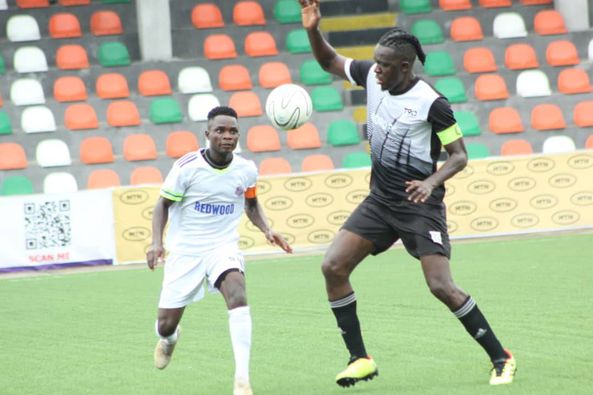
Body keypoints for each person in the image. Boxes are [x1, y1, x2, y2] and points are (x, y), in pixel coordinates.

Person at [298, 0, 516, 388]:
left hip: (420, 205)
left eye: (382, 64)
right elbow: (329, 62)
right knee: (333, 267)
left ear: (404, 67)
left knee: (441, 287)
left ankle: (501, 357)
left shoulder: (433, 103)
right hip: (381, 202)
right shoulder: (370, 76)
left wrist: (432, 182)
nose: (375, 68)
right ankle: (359, 358)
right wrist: (313, 29)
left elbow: (459, 155)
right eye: (375, 62)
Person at [146, 106, 292, 395]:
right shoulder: (187, 167)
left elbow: (250, 203)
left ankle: (242, 381)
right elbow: (162, 204)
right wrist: (156, 242)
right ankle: (170, 339)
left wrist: (267, 228)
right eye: (221, 130)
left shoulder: (246, 169)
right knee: (165, 324)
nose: (227, 136)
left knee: (237, 292)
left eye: (233, 131)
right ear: (207, 134)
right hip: (186, 251)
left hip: (222, 247)